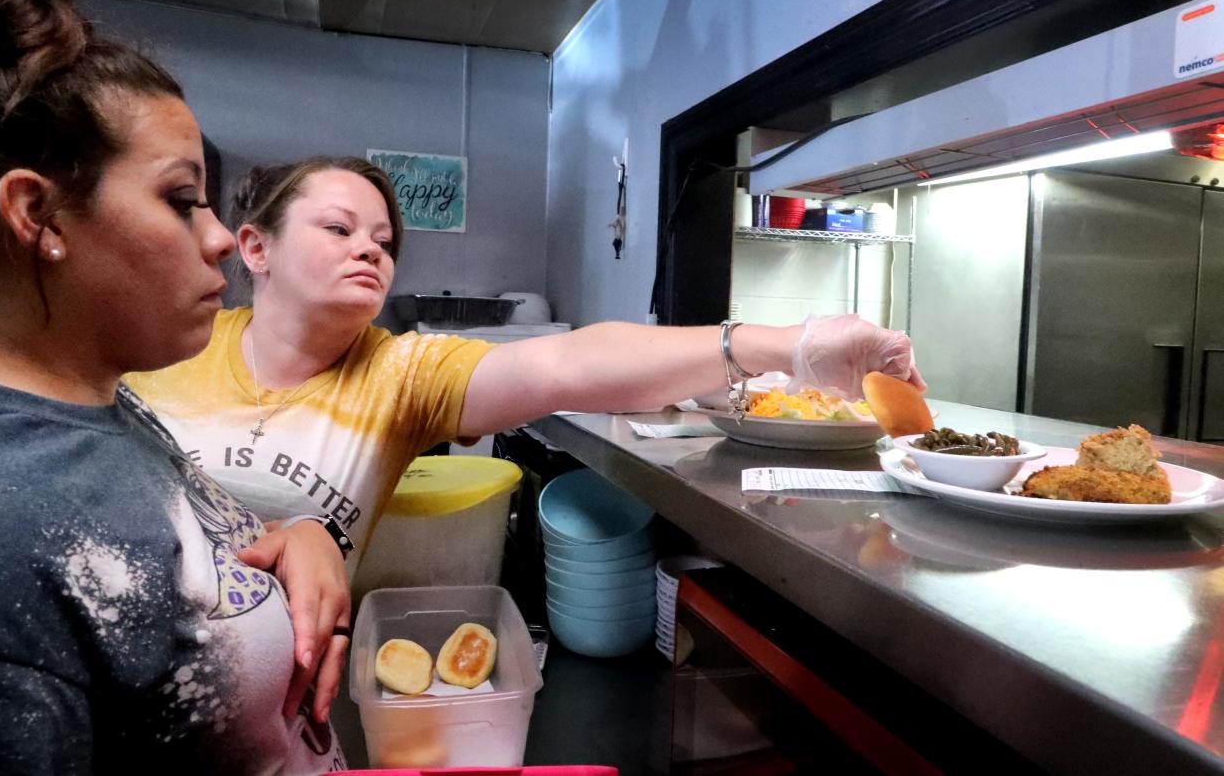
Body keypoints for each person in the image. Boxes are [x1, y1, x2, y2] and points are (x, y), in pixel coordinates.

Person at [124, 155, 925, 578]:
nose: (371, 246)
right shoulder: (161, 349)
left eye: (384, 239)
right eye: (338, 228)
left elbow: (574, 362)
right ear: (255, 248)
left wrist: (788, 346)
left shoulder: (403, 375)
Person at [0, 0, 349, 771]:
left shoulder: (102, 406)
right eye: (182, 199)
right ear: (37, 214)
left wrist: (294, 541)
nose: (219, 237)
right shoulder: (0, 533)